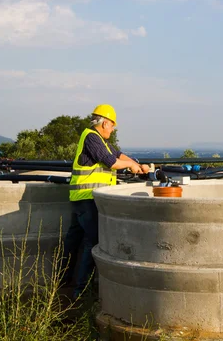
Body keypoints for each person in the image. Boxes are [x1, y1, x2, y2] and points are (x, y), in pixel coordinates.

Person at [62, 104, 149, 299]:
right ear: (104, 123)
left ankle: (63, 282)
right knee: (92, 241)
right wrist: (129, 165)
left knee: (73, 240)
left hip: (82, 198)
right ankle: (81, 292)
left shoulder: (100, 139)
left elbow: (117, 154)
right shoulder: (92, 137)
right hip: (86, 198)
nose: (113, 129)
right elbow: (112, 162)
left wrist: (136, 164)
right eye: (112, 125)